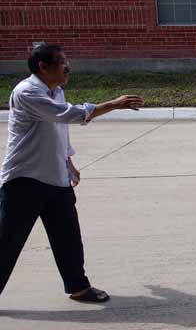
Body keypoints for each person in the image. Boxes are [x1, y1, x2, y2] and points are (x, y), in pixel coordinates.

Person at [1, 43, 144, 301]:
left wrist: (67, 162)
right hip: (24, 180)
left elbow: (59, 131)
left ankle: (78, 287)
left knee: (68, 237)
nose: (67, 67)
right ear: (43, 67)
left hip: (56, 177)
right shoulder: (27, 92)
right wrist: (113, 104)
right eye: (61, 62)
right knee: (7, 242)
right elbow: (66, 115)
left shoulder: (55, 91)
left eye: (67, 61)